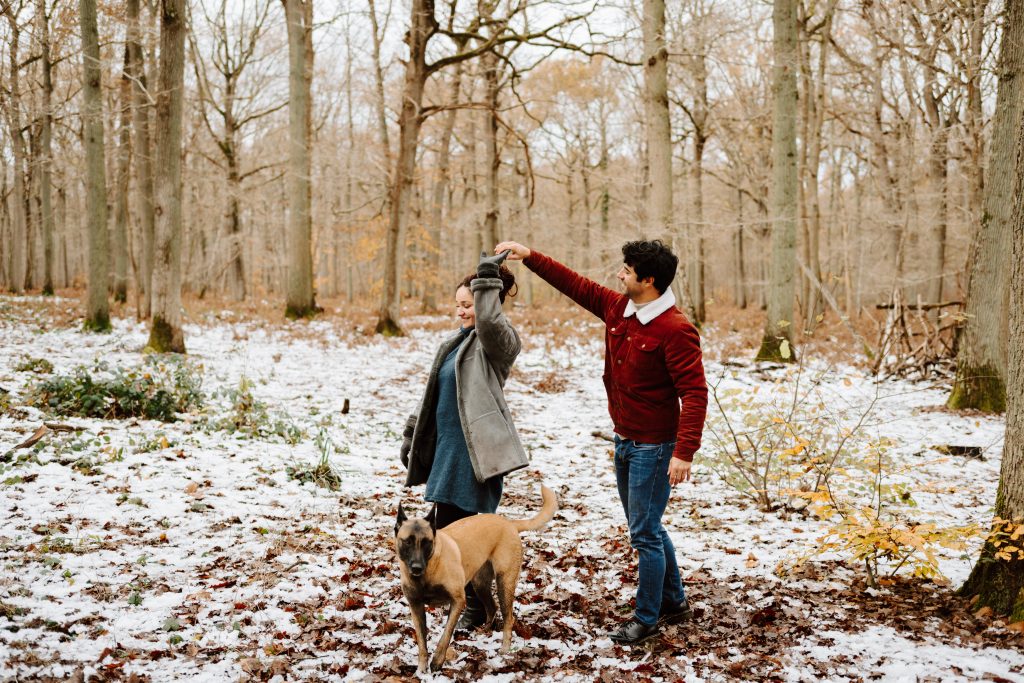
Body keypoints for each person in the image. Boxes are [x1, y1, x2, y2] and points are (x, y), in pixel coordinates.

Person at [494, 239, 707, 645]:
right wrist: (531, 256)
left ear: (648, 280)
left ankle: (647, 617)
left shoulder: (676, 329)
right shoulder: (618, 308)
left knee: (644, 533)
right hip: (624, 440)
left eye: (626, 270)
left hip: (655, 447)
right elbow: (574, 284)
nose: (619, 274)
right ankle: (675, 602)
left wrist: (684, 452)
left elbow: (695, 393)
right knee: (647, 527)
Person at [400, 250, 529, 630]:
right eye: (457, 305)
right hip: (447, 455)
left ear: (487, 301)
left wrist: (486, 279)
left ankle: (474, 607)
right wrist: (412, 432)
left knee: (470, 537)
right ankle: (465, 601)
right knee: (445, 533)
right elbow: (432, 395)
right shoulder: (454, 344)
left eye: (467, 305)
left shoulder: (498, 343)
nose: (460, 312)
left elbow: (489, 320)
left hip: (476, 457)